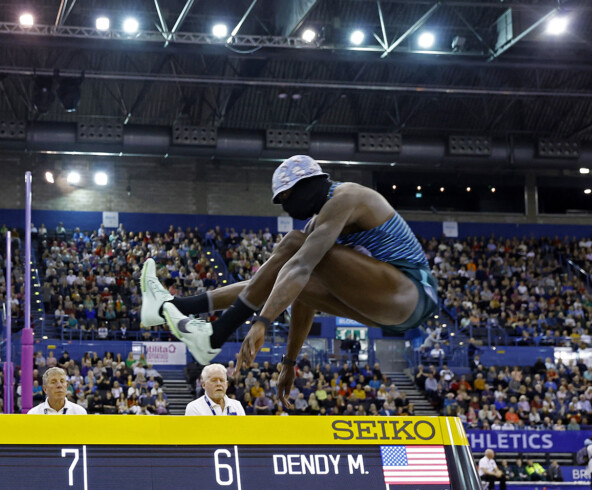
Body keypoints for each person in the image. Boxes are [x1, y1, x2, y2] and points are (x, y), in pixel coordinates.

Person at [142, 155, 439, 406]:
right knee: (287, 277)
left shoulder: (347, 196)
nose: (285, 205)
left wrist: (262, 322)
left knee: (294, 246)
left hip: (412, 291)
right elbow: (295, 288)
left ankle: (214, 335)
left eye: (286, 196)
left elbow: (300, 265)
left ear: (308, 184)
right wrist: (289, 362)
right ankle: (172, 306)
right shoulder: (317, 222)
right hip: (389, 312)